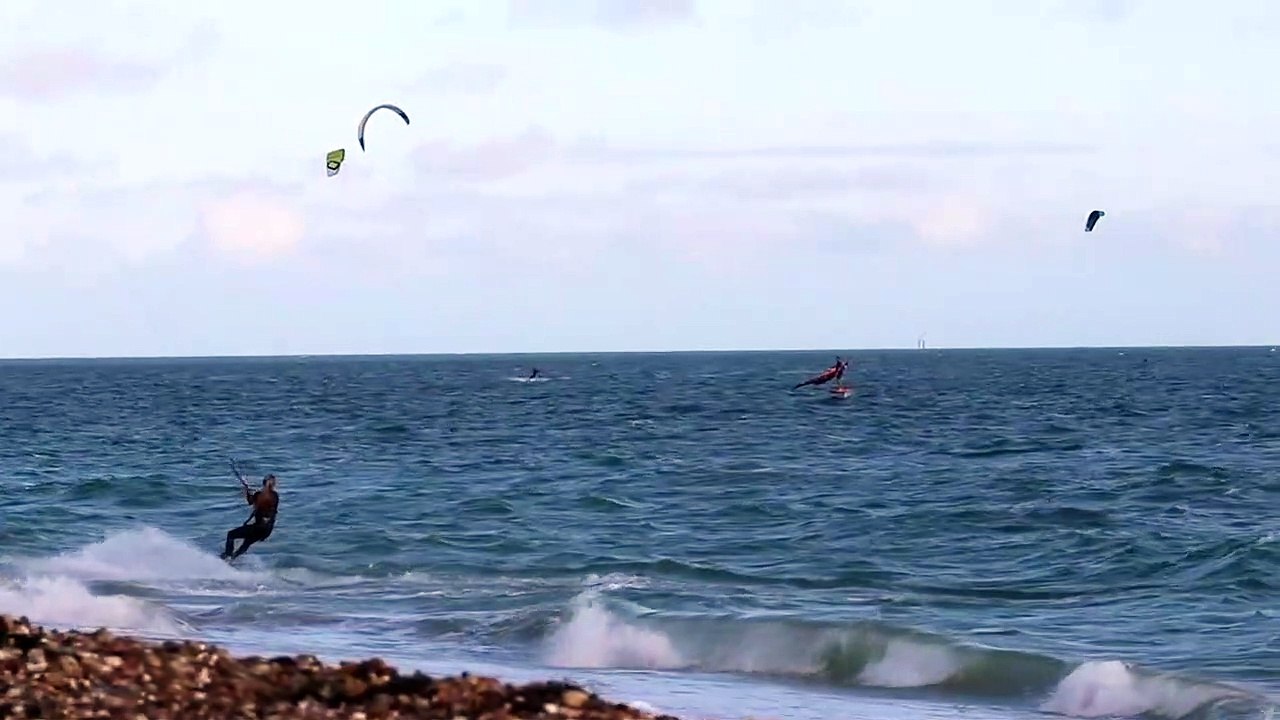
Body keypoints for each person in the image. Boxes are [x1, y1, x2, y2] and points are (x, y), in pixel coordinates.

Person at [221, 474, 279, 560]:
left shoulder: (265, 495)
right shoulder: (273, 496)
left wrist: (249, 490)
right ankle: (233, 559)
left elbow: (256, 500)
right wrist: (247, 490)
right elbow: (251, 501)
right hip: (267, 530)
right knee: (247, 542)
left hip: (260, 528)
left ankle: (227, 555)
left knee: (231, 534)